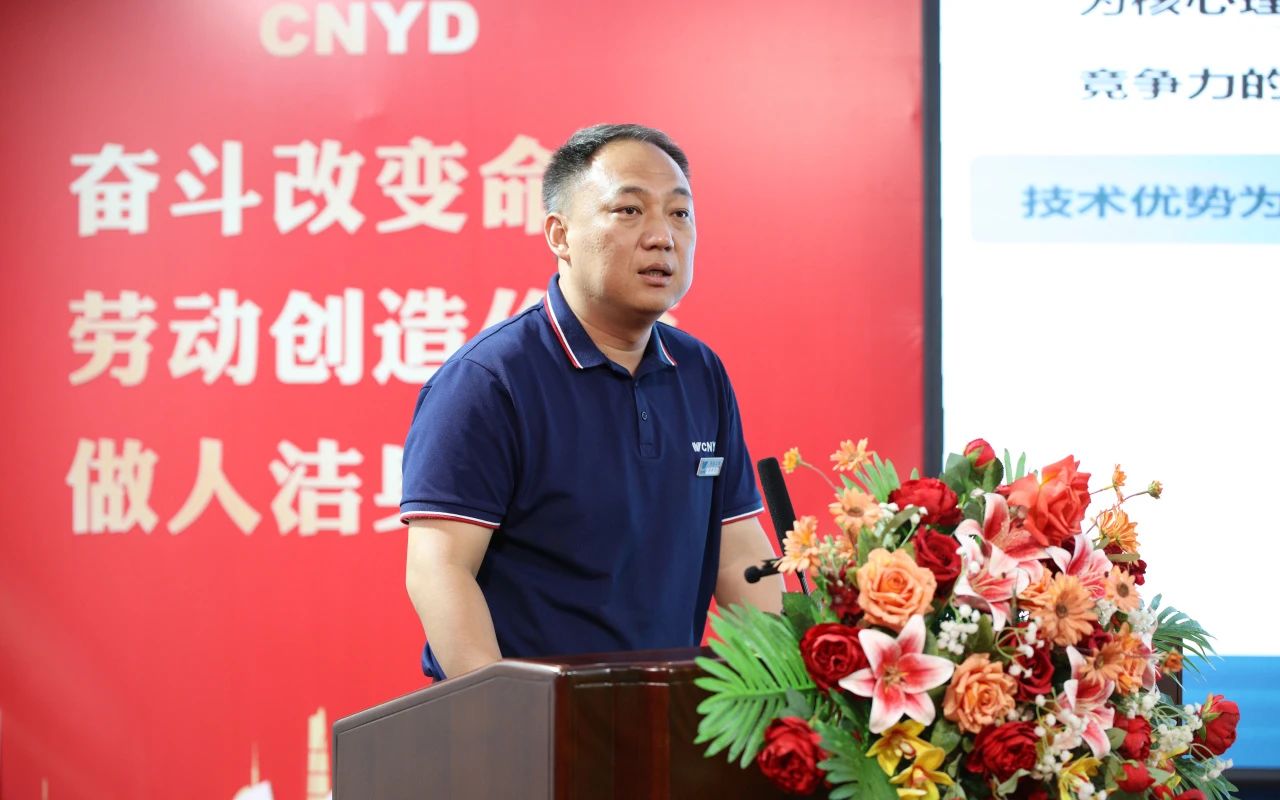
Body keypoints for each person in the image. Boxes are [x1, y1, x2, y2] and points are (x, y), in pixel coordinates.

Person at [400, 123, 783, 680]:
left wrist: (798, 679)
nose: (663, 237)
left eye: (679, 213)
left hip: (667, 708)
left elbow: (739, 555)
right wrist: (506, 714)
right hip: (538, 718)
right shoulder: (489, 381)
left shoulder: (699, 371)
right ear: (560, 235)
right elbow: (440, 569)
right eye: (630, 210)